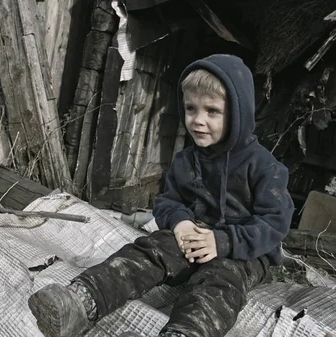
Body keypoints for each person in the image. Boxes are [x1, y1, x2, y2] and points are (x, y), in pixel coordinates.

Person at [28, 54, 294, 337]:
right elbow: (168, 200)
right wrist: (180, 222)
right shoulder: (186, 160)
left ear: (238, 113)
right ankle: (82, 302)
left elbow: (275, 223)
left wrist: (223, 242)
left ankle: (184, 333)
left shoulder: (264, 167)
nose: (198, 120)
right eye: (191, 109)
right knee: (150, 249)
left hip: (244, 251)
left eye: (212, 111)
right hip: (193, 236)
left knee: (219, 282)